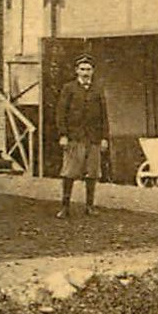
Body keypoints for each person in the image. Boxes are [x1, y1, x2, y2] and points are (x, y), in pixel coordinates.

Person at [55, 55, 109, 218]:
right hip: (74, 137)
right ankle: (65, 207)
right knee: (69, 172)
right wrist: (63, 134)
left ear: (93, 71)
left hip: (93, 138)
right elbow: (61, 113)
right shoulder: (69, 88)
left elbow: (103, 116)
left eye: (89, 69)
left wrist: (104, 137)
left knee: (92, 173)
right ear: (77, 71)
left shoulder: (97, 90)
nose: (86, 73)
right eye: (83, 69)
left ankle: (90, 206)